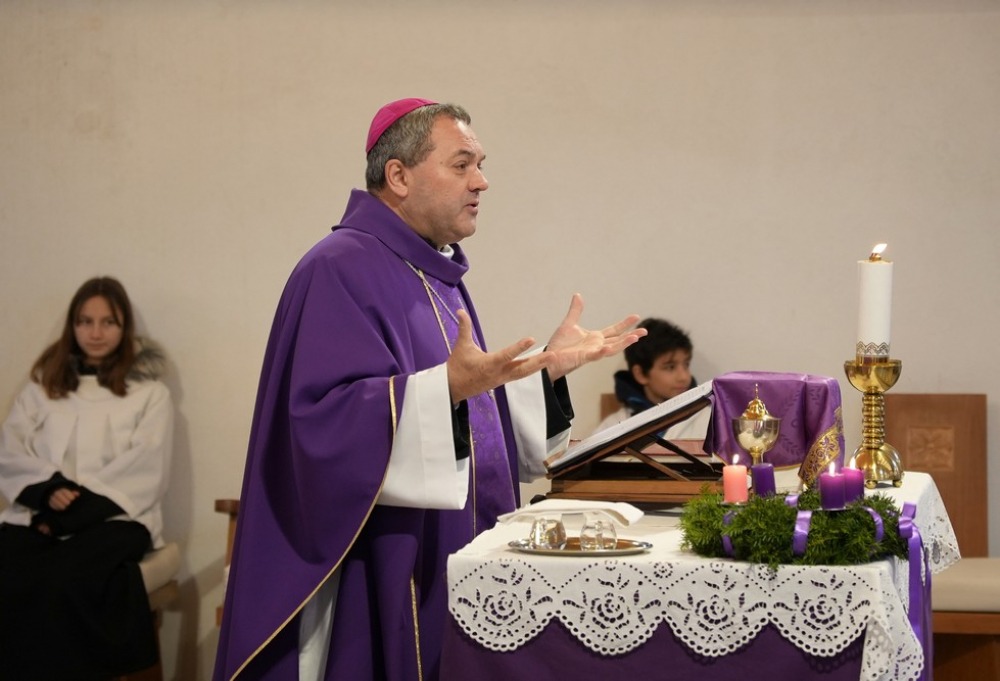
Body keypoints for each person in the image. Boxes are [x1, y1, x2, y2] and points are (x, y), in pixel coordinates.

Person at [213, 98, 645, 681]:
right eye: (462, 165)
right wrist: (440, 390)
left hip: (445, 550)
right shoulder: (338, 268)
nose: (482, 182)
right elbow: (317, 427)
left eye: (480, 165)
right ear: (399, 175)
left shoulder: (435, 273)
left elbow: (466, 410)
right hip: (378, 563)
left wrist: (546, 373)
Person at [0, 276, 174, 680]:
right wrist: (48, 490)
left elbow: (146, 466)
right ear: (72, 327)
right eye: (85, 321)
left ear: (124, 327)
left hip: (116, 518)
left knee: (66, 580)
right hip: (40, 513)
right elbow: (11, 449)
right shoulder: (43, 389)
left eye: (108, 322)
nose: (95, 333)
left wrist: (71, 512)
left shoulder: (149, 394)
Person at [595, 317, 710, 439]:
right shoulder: (612, 427)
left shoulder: (710, 419)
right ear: (640, 374)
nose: (684, 377)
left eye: (686, 365)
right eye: (670, 367)